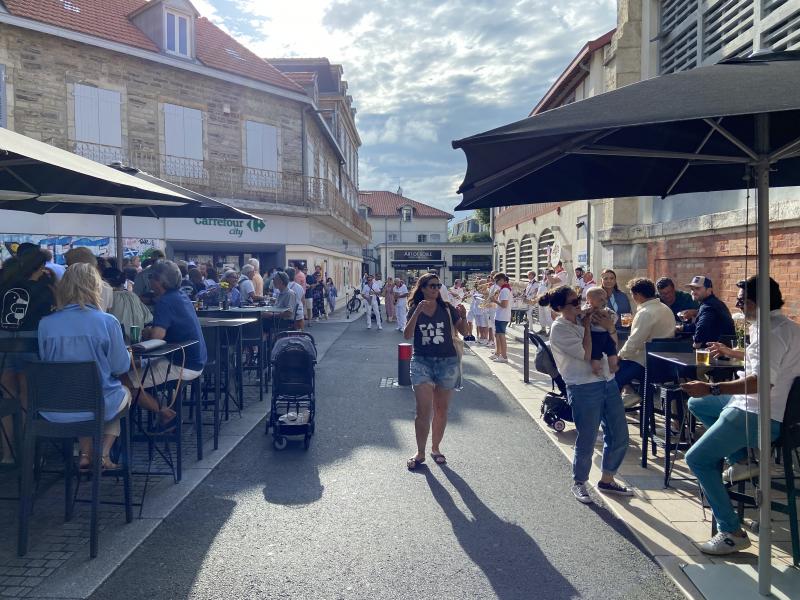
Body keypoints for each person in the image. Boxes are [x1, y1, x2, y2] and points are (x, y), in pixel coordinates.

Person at [682, 276, 800, 555]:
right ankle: (743, 460)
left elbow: (761, 381)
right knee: (696, 405)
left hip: (757, 414)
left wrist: (711, 388)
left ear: (758, 302)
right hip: (778, 413)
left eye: (742, 300)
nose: (736, 304)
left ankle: (731, 531)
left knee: (696, 459)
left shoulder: (769, 333)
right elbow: (768, 361)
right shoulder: (786, 327)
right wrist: (729, 351)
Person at [540, 285, 632, 503]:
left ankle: (607, 479)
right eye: (574, 302)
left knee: (619, 434)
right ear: (561, 307)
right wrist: (589, 326)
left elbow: (613, 345)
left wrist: (610, 328)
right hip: (582, 385)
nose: (580, 304)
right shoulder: (560, 328)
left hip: (607, 380)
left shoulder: (587, 317)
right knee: (588, 437)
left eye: (579, 299)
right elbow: (586, 354)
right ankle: (579, 482)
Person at [37, 263, 132, 470]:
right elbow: (120, 366)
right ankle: (103, 454)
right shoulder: (107, 322)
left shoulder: (46, 323)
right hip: (97, 404)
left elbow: (47, 361)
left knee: (83, 391)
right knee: (120, 393)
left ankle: (86, 453)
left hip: (55, 406)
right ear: (95, 287)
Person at [126, 261, 207, 431]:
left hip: (181, 363)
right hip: (194, 359)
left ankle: (165, 413)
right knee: (136, 370)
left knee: (123, 382)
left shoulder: (166, 301)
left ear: (159, 281)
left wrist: (147, 332)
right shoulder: (180, 296)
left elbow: (157, 338)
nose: (150, 282)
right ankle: (156, 407)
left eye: (151, 278)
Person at [404, 273, 467, 470]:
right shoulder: (415, 308)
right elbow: (407, 334)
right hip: (422, 362)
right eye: (431, 286)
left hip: (447, 362)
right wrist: (417, 312)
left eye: (438, 286)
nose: (435, 289)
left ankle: (436, 448)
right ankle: (420, 452)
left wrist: (464, 316)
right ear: (422, 288)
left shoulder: (447, 308)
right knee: (423, 410)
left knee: (441, 410)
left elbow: (465, 332)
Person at [0, 250, 56, 464]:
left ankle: (7, 454)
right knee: (27, 399)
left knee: (7, 398)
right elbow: (53, 314)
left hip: (3, 343)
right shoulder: (44, 289)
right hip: (30, 342)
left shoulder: (5, 285)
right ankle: (28, 454)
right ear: (40, 267)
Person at [615, 277, 676, 404]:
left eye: (632, 294)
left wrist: (619, 356)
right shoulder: (665, 308)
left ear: (637, 294)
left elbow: (634, 342)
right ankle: (632, 394)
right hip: (666, 363)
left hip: (647, 364)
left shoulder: (645, 312)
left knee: (611, 374)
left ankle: (617, 406)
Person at [679, 276, 735, 348]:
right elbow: (699, 325)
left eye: (697, 288)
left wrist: (696, 343)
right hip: (721, 348)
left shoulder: (708, 306)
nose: (693, 292)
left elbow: (702, 328)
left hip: (718, 352)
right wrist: (682, 328)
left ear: (709, 290)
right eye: (692, 289)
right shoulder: (713, 303)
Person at [104, 267, 152, 339]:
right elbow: (149, 319)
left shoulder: (108, 298)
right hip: (137, 342)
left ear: (106, 281)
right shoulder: (133, 295)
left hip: (118, 342)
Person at [582, 286, 619, 375]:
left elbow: (615, 317)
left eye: (605, 299)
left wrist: (610, 318)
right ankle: (596, 368)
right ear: (589, 301)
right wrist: (588, 313)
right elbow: (582, 317)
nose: (605, 301)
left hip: (606, 334)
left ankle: (613, 365)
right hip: (594, 336)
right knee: (595, 354)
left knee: (612, 349)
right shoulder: (587, 310)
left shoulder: (607, 310)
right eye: (600, 300)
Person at [64, 247, 113, 311]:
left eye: (68, 265)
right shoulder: (106, 287)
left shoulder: (67, 285)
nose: (67, 268)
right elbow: (108, 309)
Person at [492, 272, 513, 363]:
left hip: (502, 316)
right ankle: (498, 353)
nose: (496, 283)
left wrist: (495, 301)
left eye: (497, 281)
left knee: (501, 336)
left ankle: (504, 356)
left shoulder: (505, 290)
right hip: (501, 315)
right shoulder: (504, 289)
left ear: (502, 280)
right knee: (498, 335)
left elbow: (504, 305)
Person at [537, 268, 555, 333]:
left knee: (548, 315)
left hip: (547, 300)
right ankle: (543, 329)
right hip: (540, 300)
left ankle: (551, 330)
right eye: (543, 273)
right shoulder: (541, 281)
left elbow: (550, 289)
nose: (544, 274)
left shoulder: (550, 281)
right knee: (541, 314)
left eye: (545, 273)